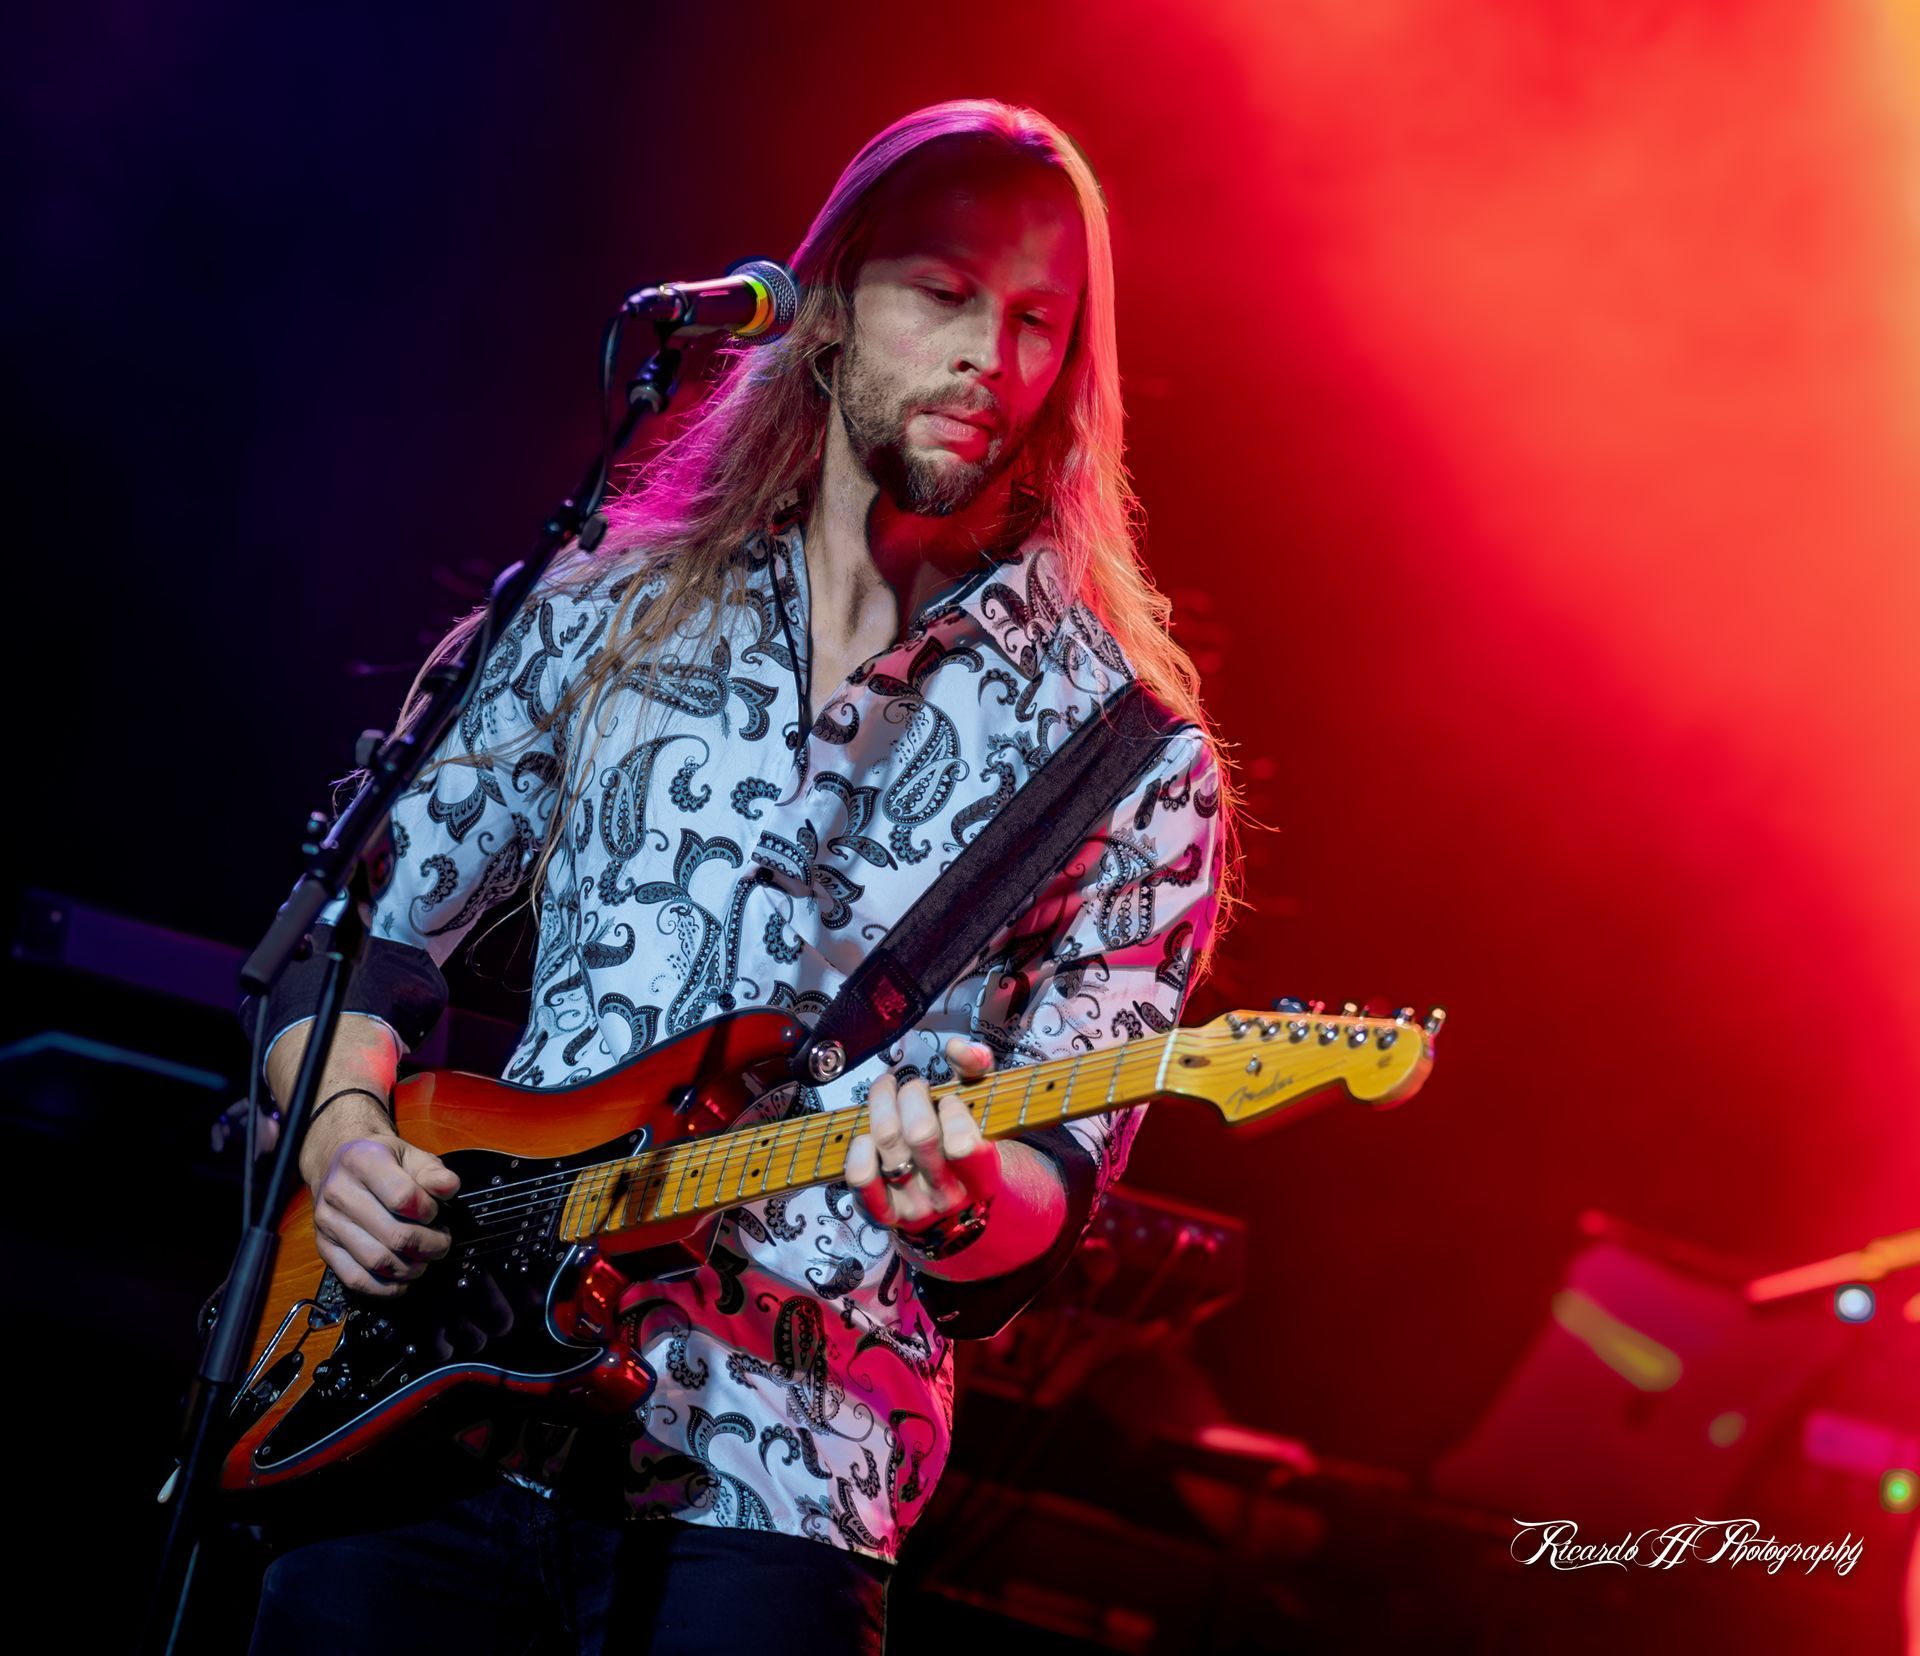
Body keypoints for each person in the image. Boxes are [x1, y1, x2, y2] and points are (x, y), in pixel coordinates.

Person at [245, 98, 1238, 1655]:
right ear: (828, 307)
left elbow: (1062, 1179)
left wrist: (967, 1197)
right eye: (945, 292)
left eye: (1040, 320)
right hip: (427, 1414)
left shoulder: (1125, 758)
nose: (994, 352)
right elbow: (358, 931)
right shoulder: (607, 609)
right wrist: (349, 1139)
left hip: (783, 1486)